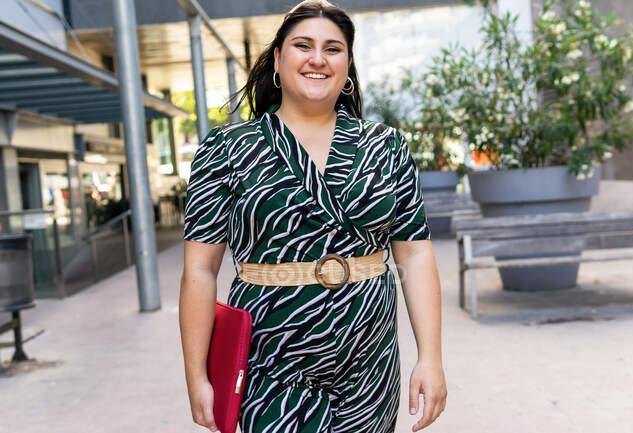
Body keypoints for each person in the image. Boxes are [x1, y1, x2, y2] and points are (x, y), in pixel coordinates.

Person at [179, 1, 446, 432]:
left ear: (348, 64)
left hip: (369, 353)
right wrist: (198, 376)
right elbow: (199, 269)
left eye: (333, 48)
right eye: (303, 45)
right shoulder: (227, 149)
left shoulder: (386, 146)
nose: (318, 59)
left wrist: (430, 358)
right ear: (278, 60)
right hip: (270, 351)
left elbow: (415, 257)